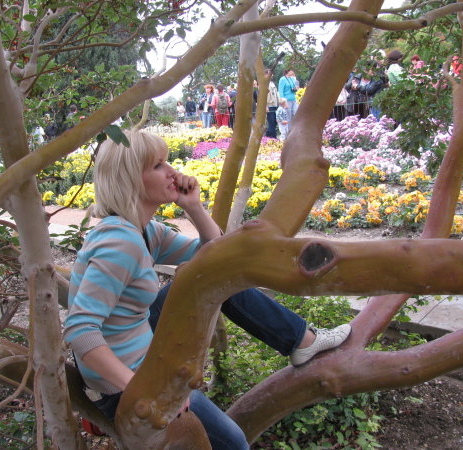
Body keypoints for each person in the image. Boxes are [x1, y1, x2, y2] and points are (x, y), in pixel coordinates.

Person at [64, 130, 352, 450]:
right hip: (123, 385)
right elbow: (81, 330)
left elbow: (217, 257)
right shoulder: (120, 243)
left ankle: (300, 341)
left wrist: (194, 207)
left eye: (167, 161)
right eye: (158, 165)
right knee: (233, 443)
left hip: (138, 346)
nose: (172, 171)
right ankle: (301, 341)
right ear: (130, 179)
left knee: (213, 275)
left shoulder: (144, 231)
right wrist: (144, 391)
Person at [265, 72, 279, 138]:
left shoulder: (272, 83)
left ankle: (268, 136)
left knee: (274, 122)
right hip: (269, 105)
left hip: (275, 105)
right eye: (269, 73)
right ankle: (273, 137)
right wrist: (265, 106)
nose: (272, 75)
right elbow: (263, 96)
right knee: (271, 122)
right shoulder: (264, 83)